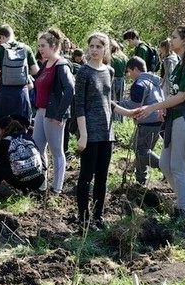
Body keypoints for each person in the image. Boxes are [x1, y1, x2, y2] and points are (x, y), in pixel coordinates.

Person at [130, 26, 185, 220]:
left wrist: (153, 107)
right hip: (174, 116)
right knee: (165, 164)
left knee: (177, 164)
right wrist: (164, 107)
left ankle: (182, 210)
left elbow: (182, 96)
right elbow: (173, 93)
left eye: (174, 37)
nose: (170, 40)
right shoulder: (181, 62)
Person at [74, 32, 115, 229]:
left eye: (99, 46)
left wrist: (130, 112)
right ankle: (83, 219)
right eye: (92, 46)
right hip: (89, 132)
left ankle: (98, 217)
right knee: (86, 177)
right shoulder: (83, 72)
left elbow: (108, 101)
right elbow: (79, 105)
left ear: (105, 49)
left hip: (107, 132)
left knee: (102, 177)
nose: (94, 50)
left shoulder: (109, 71)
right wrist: (83, 134)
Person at [32, 28, 75, 195]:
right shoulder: (45, 64)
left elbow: (70, 90)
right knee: (38, 148)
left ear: (54, 46)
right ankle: (41, 185)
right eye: (39, 46)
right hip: (41, 112)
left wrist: (60, 115)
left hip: (53, 115)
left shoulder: (61, 65)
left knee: (56, 151)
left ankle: (57, 188)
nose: (40, 49)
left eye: (43, 46)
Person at [114, 57, 164, 184]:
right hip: (157, 121)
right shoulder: (154, 81)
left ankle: (165, 166)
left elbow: (134, 106)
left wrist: (116, 105)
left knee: (140, 149)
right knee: (144, 151)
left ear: (135, 69)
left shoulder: (139, 84)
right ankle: (141, 180)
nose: (129, 75)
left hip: (147, 121)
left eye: (129, 71)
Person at [0, 25, 39, 126]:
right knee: (22, 124)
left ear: (2, 37)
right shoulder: (26, 48)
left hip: (4, 93)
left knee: (2, 124)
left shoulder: (0, 49)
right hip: (21, 93)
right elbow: (35, 71)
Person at [0, 118, 46, 193]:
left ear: (1, 129)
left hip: (20, 181)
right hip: (38, 180)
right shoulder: (27, 137)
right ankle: (31, 190)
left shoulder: (4, 142)